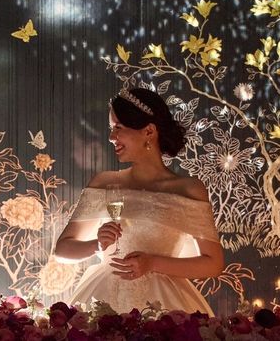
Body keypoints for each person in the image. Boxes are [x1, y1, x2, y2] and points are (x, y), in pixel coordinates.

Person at [55, 87, 224, 314]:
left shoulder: (187, 189)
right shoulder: (104, 182)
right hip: (103, 298)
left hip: (164, 305)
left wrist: (152, 263)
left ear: (149, 131)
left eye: (118, 128)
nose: (111, 137)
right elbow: (62, 250)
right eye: (111, 129)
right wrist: (96, 244)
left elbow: (213, 263)